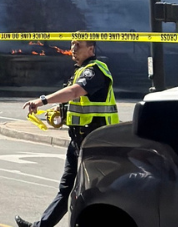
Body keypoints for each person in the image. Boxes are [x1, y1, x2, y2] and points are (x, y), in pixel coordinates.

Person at [15, 39, 119, 227]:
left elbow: (74, 93)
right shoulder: (80, 71)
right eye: (72, 44)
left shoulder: (94, 70)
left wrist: (42, 101)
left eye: (78, 45)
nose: (73, 49)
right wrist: (60, 113)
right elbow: (76, 102)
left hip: (95, 143)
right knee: (67, 189)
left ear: (91, 48)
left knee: (94, 192)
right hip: (78, 143)